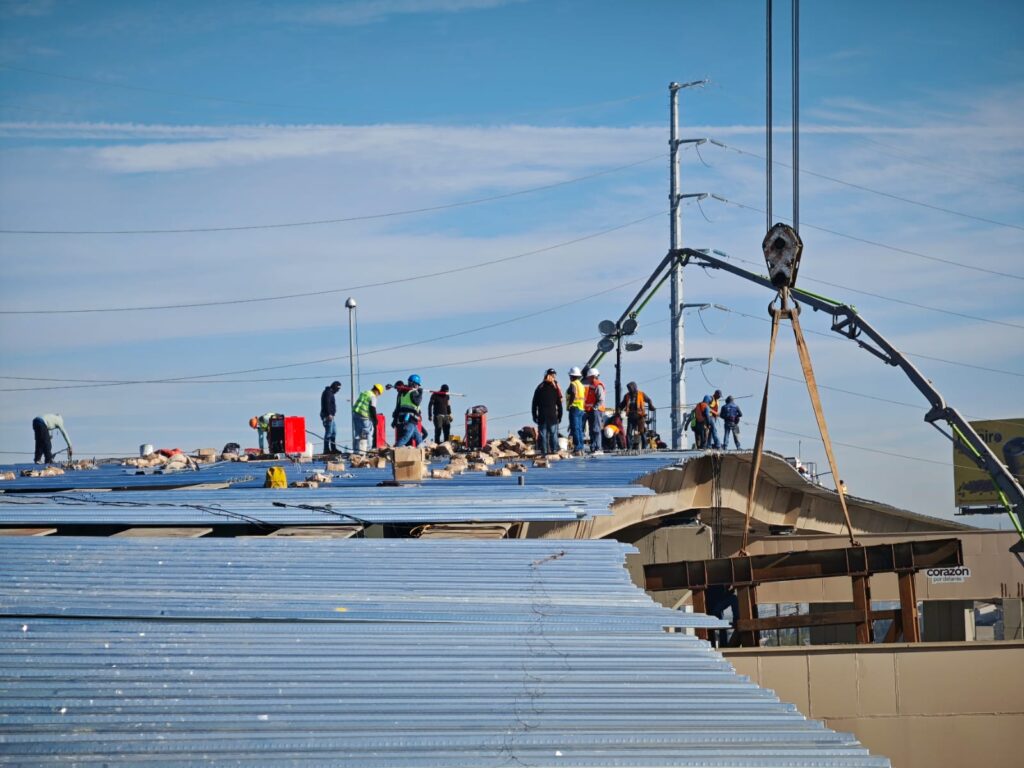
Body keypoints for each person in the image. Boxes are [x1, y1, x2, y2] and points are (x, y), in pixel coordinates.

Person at [531, 368, 562, 455]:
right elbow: (559, 403)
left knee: (544, 435)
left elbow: (534, 403)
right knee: (552, 434)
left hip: (543, 416)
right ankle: (554, 450)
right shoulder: (554, 388)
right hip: (551, 417)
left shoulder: (539, 387)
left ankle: (544, 452)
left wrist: (534, 415)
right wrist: (560, 415)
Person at [619, 382, 655, 449]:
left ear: (634, 387)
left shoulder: (641, 394)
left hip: (640, 417)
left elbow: (649, 400)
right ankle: (629, 448)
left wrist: (651, 406)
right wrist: (618, 409)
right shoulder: (627, 396)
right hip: (631, 417)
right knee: (628, 433)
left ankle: (644, 448)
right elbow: (622, 404)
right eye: (628, 388)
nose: (629, 390)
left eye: (630, 388)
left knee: (642, 432)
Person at [394, 374, 425, 447]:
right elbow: (417, 402)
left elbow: (398, 407)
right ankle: (396, 448)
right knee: (406, 437)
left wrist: (395, 419)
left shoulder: (403, 393)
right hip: (410, 418)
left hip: (406, 418)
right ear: (414, 384)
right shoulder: (412, 392)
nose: (418, 386)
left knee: (418, 438)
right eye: (417, 385)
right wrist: (420, 393)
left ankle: (422, 449)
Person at [352, 384, 384, 452]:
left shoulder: (365, 393)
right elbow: (373, 408)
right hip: (364, 416)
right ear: (377, 391)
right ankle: (369, 450)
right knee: (368, 433)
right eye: (379, 394)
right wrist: (375, 419)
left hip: (356, 414)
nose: (378, 395)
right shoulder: (373, 396)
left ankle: (356, 451)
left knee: (358, 433)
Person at [584, 368, 607, 454]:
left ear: (593, 376)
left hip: (597, 411)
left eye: (589, 377)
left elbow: (601, 400)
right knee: (592, 430)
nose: (588, 379)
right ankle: (593, 447)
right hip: (591, 411)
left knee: (596, 429)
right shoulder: (592, 385)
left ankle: (598, 448)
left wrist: (595, 407)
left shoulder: (598, 385)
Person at [565, 367, 587, 455]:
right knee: (579, 429)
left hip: (574, 408)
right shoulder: (581, 385)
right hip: (581, 408)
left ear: (572, 376)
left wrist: (570, 403)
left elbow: (573, 393)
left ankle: (577, 448)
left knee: (575, 428)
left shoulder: (573, 384)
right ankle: (581, 447)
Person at [320, 380, 342, 455]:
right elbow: (327, 404)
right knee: (329, 433)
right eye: (338, 389)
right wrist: (329, 414)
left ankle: (333, 448)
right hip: (328, 415)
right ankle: (326, 449)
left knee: (333, 432)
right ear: (335, 387)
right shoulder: (328, 393)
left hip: (331, 416)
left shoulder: (330, 393)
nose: (338, 391)